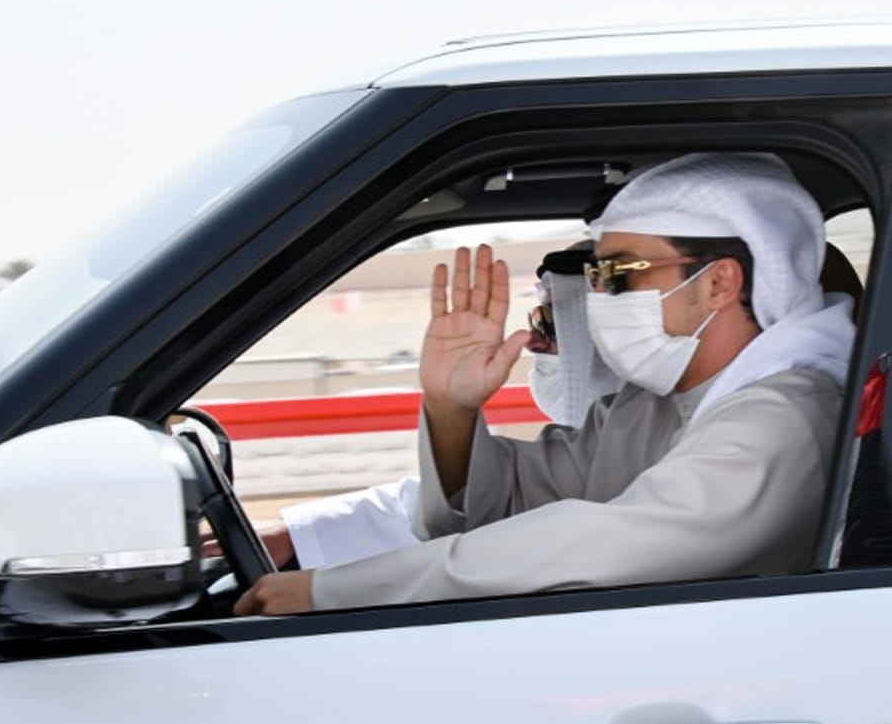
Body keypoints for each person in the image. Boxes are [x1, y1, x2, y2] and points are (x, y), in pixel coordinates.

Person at [234, 153, 856, 614]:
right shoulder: (649, 406)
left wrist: (331, 592)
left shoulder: (785, 416)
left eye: (617, 274)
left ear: (719, 283)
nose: (596, 296)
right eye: (593, 274)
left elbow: (593, 546)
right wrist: (452, 406)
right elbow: (505, 507)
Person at [265, 245, 621, 571]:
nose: (534, 343)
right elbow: (482, 500)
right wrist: (451, 405)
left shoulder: (651, 442)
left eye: (552, 323)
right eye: (537, 319)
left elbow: (482, 533)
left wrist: (310, 573)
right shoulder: (610, 442)